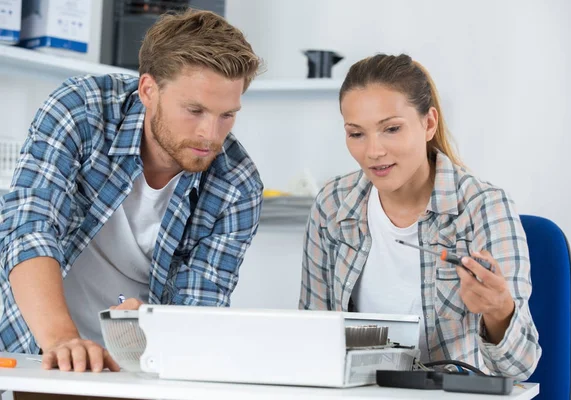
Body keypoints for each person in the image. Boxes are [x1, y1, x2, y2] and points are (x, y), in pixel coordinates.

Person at [0, 9, 263, 372]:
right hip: (31, 343)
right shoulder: (80, 111)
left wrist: (158, 326)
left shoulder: (237, 186)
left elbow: (200, 312)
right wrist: (62, 340)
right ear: (148, 90)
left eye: (227, 115)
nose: (210, 133)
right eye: (195, 110)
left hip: (137, 369)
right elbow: (29, 229)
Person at [299, 53, 541, 380]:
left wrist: (498, 310)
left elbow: (520, 367)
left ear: (428, 123)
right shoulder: (332, 204)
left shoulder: (484, 207)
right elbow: (311, 340)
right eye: (356, 134)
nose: (373, 152)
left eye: (392, 129)